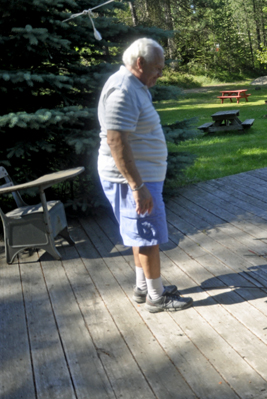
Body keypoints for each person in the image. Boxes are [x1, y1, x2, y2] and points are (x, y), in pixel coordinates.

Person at [97, 38, 192, 313]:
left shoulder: (135, 85)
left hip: (139, 177)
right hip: (132, 179)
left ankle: (143, 288)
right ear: (140, 63)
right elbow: (116, 141)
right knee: (149, 234)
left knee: (140, 234)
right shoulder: (123, 89)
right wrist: (137, 186)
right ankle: (156, 296)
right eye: (157, 68)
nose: (160, 74)